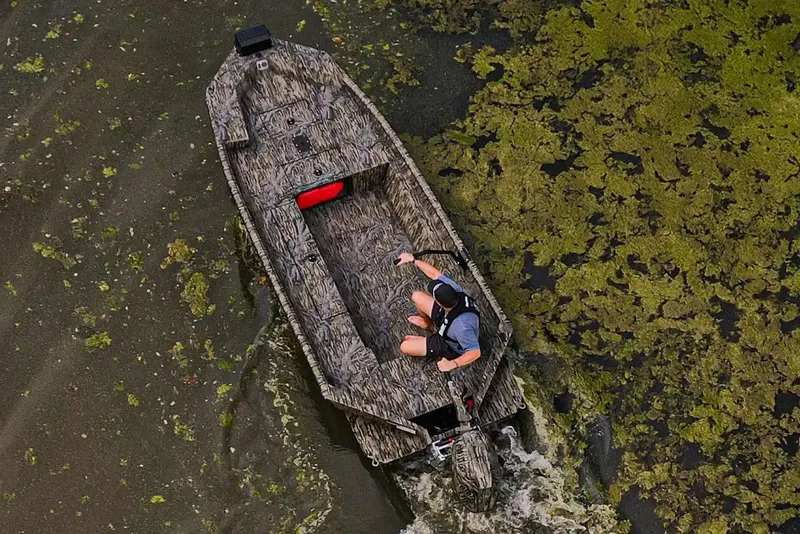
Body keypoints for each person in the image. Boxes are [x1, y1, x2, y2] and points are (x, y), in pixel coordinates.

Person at [396, 252, 481, 372]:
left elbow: (475, 352)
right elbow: (435, 274)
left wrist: (453, 364)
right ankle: (428, 324)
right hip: (447, 319)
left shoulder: (462, 327)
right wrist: (412, 259)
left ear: (440, 304)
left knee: (405, 347)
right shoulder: (455, 290)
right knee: (417, 296)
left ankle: (433, 338)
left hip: (450, 343)